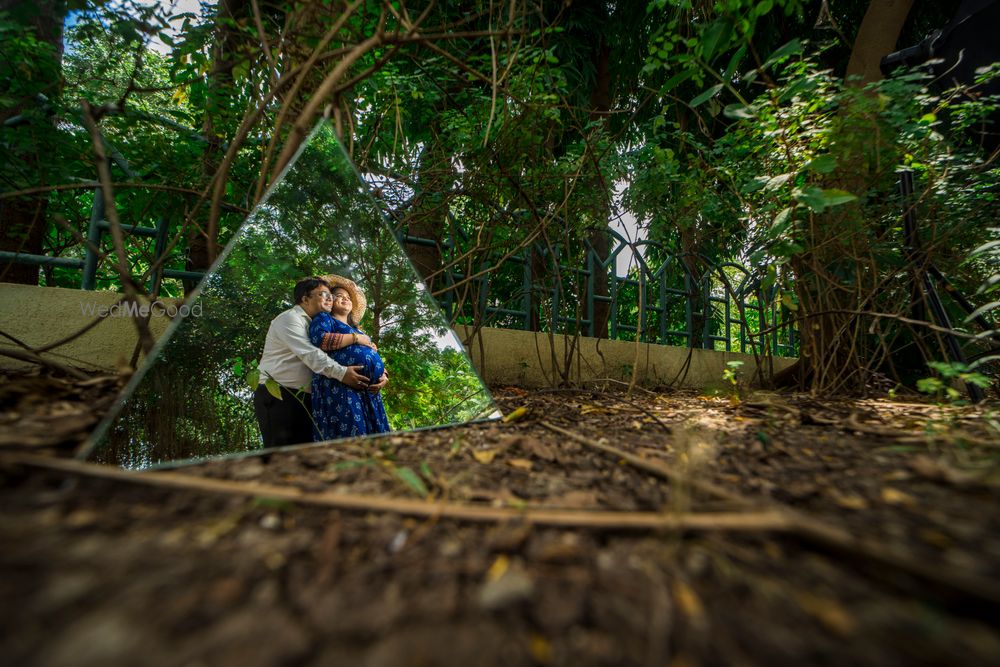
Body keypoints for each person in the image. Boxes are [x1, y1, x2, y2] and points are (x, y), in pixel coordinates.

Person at [253, 277, 387, 447]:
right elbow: (310, 354)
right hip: (281, 395)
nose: (330, 298)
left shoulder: (323, 323)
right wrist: (343, 373)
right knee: (283, 453)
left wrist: (381, 374)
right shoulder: (290, 319)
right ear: (305, 298)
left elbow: (364, 353)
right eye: (324, 294)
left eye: (330, 295)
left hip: (312, 397)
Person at [309, 274, 391, 440]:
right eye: (339, 296)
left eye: (348, 297)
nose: (345, 299)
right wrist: (356, 339)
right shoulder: (325, 319)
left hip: (370, 393)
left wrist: (384, 376)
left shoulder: (360, 330)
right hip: (341, 387)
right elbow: (321, 340)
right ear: (330, 301)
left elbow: (373, 356)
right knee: (354, 435)